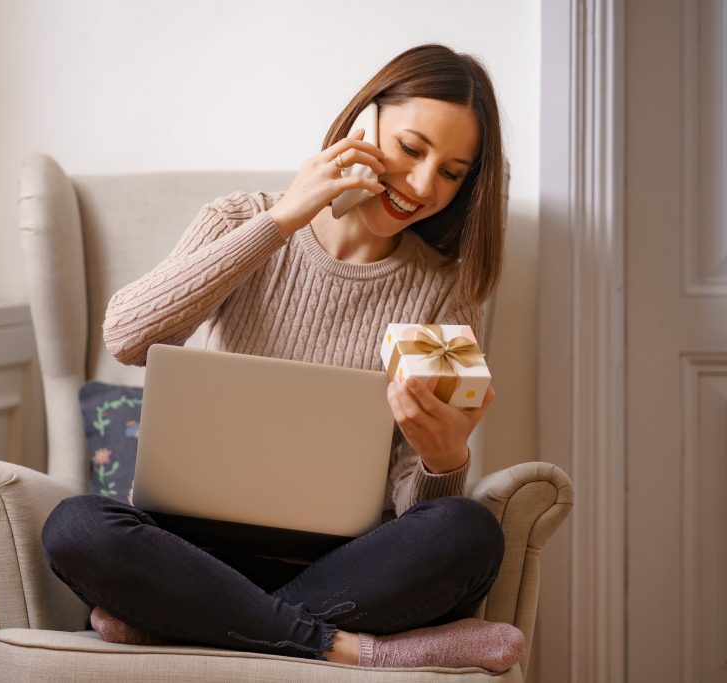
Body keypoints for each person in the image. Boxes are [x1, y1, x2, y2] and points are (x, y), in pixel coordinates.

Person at [41, 43, 524, 672]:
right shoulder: (240, 218)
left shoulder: (448, 289)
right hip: (190, 549)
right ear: (361, 124)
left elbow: (415, 511)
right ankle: (354, 650)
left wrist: (443, 457)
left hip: (344, 565)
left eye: (453, 172)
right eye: (411, 149)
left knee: (469, 533)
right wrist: (282, 219)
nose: (424, 185)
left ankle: (187, 623)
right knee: (75, 527)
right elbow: (128, 336)